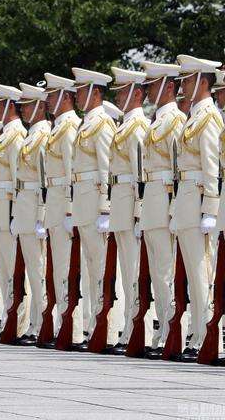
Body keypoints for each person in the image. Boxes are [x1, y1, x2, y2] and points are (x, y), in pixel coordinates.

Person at [172, 54, 222, 362]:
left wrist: (210, 209)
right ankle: (198, 335)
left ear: (202, 82)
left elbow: (212, 166)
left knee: (203, 273)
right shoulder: (194, 116)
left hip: (198, 202)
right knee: (193, 273)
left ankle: (207, 336)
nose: (182, 85)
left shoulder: (208, 118)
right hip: (186, 201)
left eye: (187, 80)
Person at [139, 61, 187, 359]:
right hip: (152, 203)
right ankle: (164, 331)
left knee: (168, 272)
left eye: (153, 85)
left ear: (169, 87)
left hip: (166, 202)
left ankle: (175, 332)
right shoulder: (157, 120)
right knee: (158, 273)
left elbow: (177, 167)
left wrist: (173, 207)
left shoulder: (177, 119)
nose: (148, 91)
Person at [71, 67, 119, 351]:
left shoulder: (102, 124)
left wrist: (105, 208)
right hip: (83, 202)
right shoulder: (86, 124)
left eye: (81, 91)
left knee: (103, 269)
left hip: (94, 204)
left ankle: (109, 330)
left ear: (95, 93)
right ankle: (94, 326)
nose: (77, 96)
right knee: (90, 269)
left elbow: (106, 168)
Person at [107, 67, 151, 355]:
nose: (119, 97)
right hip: (120, 204)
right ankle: (128, 327)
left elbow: (141, 173)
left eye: (123, 91)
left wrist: (138, 210)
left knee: (135, 272)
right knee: (126, 272)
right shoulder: (125, 125)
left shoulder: (137, 126)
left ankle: (137, 329)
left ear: (136, 93)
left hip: (130, 204)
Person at [0, 83, 29, 342]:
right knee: (4, 270)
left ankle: (20, 322)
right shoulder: (4, 135)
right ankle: (8, 318)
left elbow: (16, 177)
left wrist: (14, 213)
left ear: (11, 106)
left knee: (16, 270)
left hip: (9, 210)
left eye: (0, 105)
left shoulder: (16, 136)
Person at [42, 72, 83, 349]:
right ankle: (62, 326)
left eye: (53, 95)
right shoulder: (58, 127)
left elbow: (71, 171)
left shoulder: (69, 128)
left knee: (69, 270)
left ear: (65, 98)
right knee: (58, 270)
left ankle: (74, 329)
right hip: (54, 203)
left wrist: (69, 210)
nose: (48, 100)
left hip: (63, 204)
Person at [11, 83, 51, 346]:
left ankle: (43, 323)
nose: (23, 109)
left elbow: (45, 178)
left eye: (27, 104)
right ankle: (37, 323)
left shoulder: (44, 134)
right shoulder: (30, 135)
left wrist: (41, 214)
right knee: (33, 272)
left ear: (39, 106)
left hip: (35, 208)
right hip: (24, 207)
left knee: (40, 270)